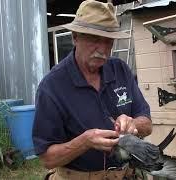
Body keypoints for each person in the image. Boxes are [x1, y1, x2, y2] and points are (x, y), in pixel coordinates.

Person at [32, 0, 152, 179]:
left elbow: (147, 124)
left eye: (108, 41)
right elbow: (47, 159)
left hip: (127, 174)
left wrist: (133, 124)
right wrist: (84, 142)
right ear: (75, 37)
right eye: (94, 39)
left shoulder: (120, 69)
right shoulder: (52, 87)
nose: (102, 49)